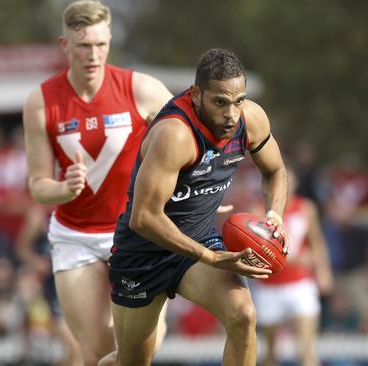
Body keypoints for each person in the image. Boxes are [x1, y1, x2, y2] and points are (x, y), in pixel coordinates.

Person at [103, 48, 289, 366]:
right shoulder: (174, 135)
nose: (231, 113)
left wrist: (275, 213)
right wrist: (213, 257)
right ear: (196, 94)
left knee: (243, 315)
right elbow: (144, 218)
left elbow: (275, 171)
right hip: (143, 255)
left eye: (239, 100)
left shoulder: (250, 119)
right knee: (131, 362)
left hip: (200, 241)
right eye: (220, 102)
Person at [22, 1, 174, 364]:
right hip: (76, 237)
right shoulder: (41, 102)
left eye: (101, 45)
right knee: (94, 352)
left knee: (140, 348)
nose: (94, 55)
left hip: (138, 230)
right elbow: (37, 185)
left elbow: (188, 139)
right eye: (84, 45)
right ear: (65, 45)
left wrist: (197, 192)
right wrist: (65, 188)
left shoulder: (142, 88)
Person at [251, 167, 334, 366]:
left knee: (307, 349)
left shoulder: (305, 207)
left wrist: (323, 271)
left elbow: (316, 241)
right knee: (270, 351)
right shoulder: (257, 211)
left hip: (300, 283)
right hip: (270, 286)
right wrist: (294, 259)